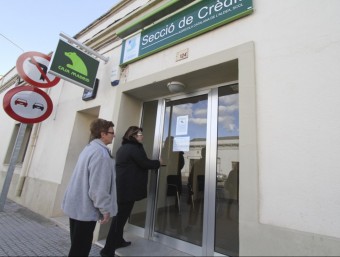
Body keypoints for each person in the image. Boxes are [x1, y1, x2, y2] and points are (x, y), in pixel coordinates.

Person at [101, 126, 161, 257]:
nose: (142, 136)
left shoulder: (125, 147)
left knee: (121, 218)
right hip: (127, 190)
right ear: (133, 136)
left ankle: (118, 241)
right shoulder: (133, 148)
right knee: (119, 220)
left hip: (123, 189)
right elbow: (145, 163)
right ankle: (107, 250)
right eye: (139, 134)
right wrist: (158, 162)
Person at [62, 118, 118, 257]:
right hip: (85, 209)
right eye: (111, 132)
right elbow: (98, 187)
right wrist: (105, 209)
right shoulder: (100, 154)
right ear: (103, 134)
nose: (114, 135)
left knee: (77, 245)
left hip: (76, 205)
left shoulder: (89, 148)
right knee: (80, 249)